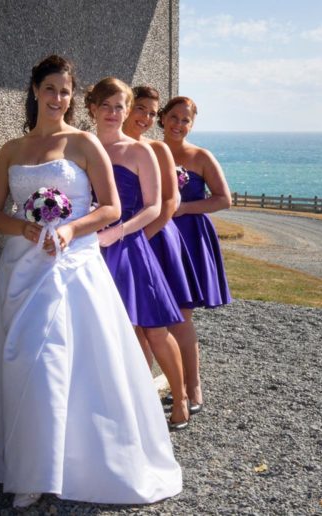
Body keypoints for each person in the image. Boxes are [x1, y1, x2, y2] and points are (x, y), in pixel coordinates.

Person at [0, 55, 182, 509]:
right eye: (50, 89)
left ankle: (70, 465)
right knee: (24, 359)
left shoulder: (84, 143)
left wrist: (68, 229)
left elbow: (109, 208)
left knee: (64, 362)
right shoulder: (12, 149)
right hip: (22, 265)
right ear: (35, 90)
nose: (58, 98)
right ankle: (27, 465)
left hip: (72, 264)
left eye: (65, 91)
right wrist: (24, 228)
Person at [84, 78, 190, 430]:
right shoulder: (82, 147)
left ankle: (182, 398)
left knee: (155, 329)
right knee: (117, 334)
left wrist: (119, 232)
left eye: (120, 107)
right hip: (92, 251)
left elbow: (154, 207)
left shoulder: (139, 151)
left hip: (129, 248)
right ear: (93, 109)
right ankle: (129, 407)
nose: (114, 113)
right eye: (107, 106)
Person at [123, 86, 206, 415]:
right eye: (140, 109)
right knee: (134, 324)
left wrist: (141, 236)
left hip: (155, 239)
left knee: (171, 320)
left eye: (151, 113)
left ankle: (189, 389)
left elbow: (170, 202)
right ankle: (141, 395)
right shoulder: (105, 146)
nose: (145, 117)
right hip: (121, 243)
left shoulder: (158, 150)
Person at [159, 96, 232, 412]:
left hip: (188, 239)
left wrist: (183, 208)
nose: (178, 124)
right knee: (155, 318)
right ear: (163, 118)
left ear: (192, 124)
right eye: (173, 117)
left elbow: (223, 199)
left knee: (181, 317)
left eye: (185, 120)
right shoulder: (149, 150)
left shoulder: (201, 156)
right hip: (156, 237)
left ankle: (193, 389)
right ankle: (172, 386)